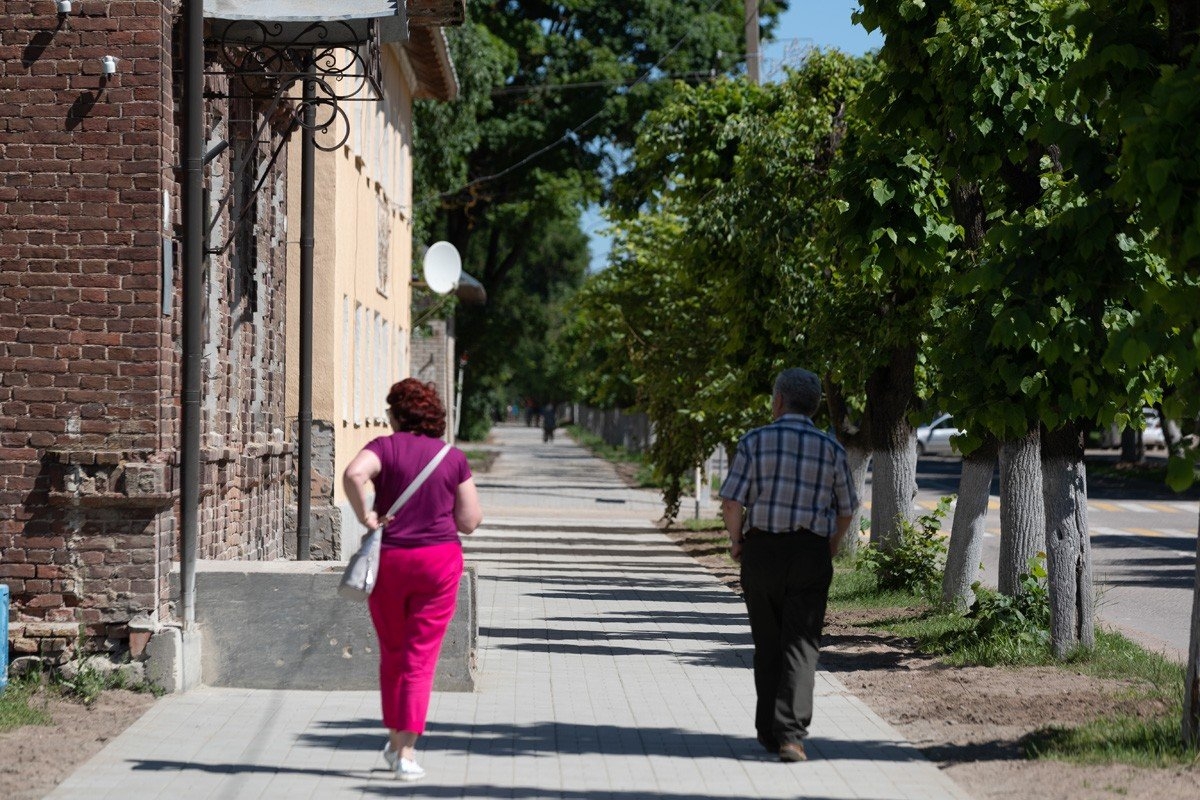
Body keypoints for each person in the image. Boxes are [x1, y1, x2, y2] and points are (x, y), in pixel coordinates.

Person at [343, 378, 483, 781]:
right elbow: (470, 521)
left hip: (390, 562)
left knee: (393, 653)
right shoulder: (452, 458)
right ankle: (405, 753)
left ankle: (396, 743)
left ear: (397, 415)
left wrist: (366, 516)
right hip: (438, 564)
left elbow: (354, 474)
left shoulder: (383, 448)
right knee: (419, 658)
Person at [718, 368, 857, 763]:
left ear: (778, 401)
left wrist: (737, 540)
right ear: (814, 407)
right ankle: (791, 737)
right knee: (800, 644)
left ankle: (768, 731)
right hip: (809, 553)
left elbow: (732, 501)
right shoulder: (831, 448)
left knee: (767, 644)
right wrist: (831, 545)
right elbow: (847, 508)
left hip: (762, 552)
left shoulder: (754, 441)